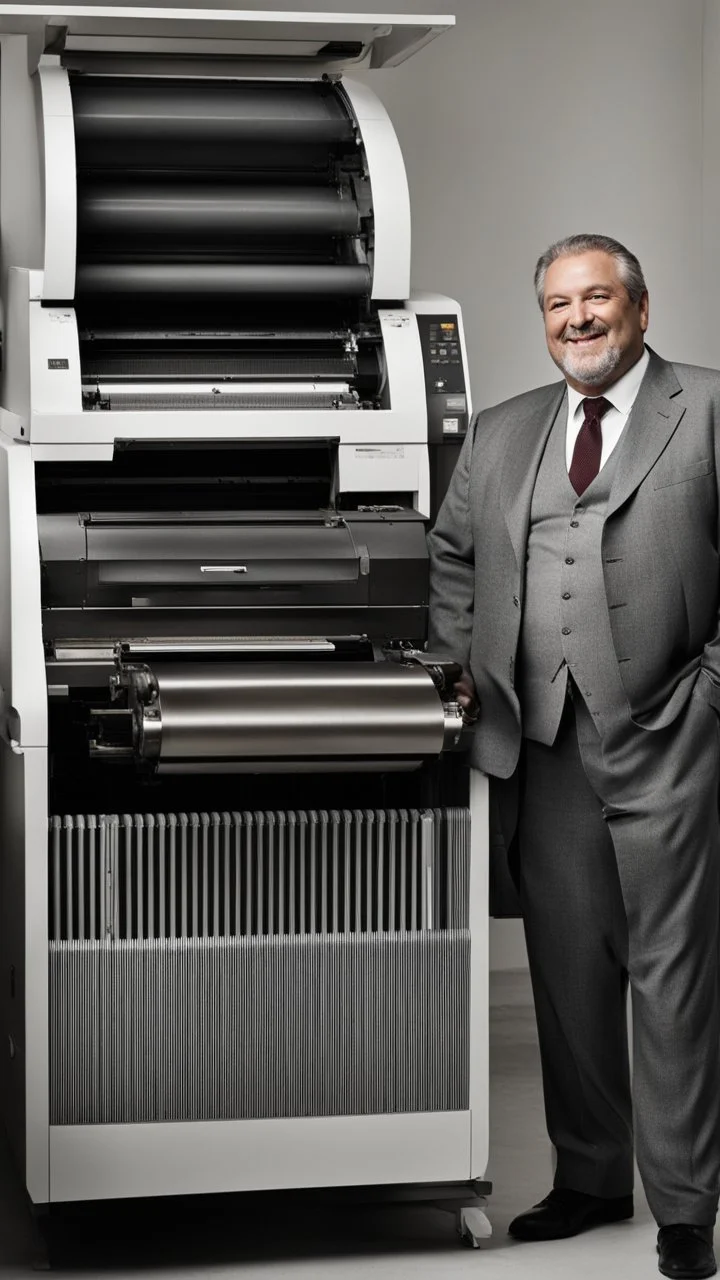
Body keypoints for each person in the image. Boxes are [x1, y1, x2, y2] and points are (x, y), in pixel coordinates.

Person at [428, 233, 720, 1280]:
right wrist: (465, 667)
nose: (578, 319)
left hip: (668, 736)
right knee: (567, 972)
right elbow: (454, 551)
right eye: (559, 304)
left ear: (641, 306)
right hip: (539, 742)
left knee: (674, 974)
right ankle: (590, 1179)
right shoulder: (504, 432)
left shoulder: (708, 407)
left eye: (598, 298)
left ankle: (685, 1205)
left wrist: (712, 686)